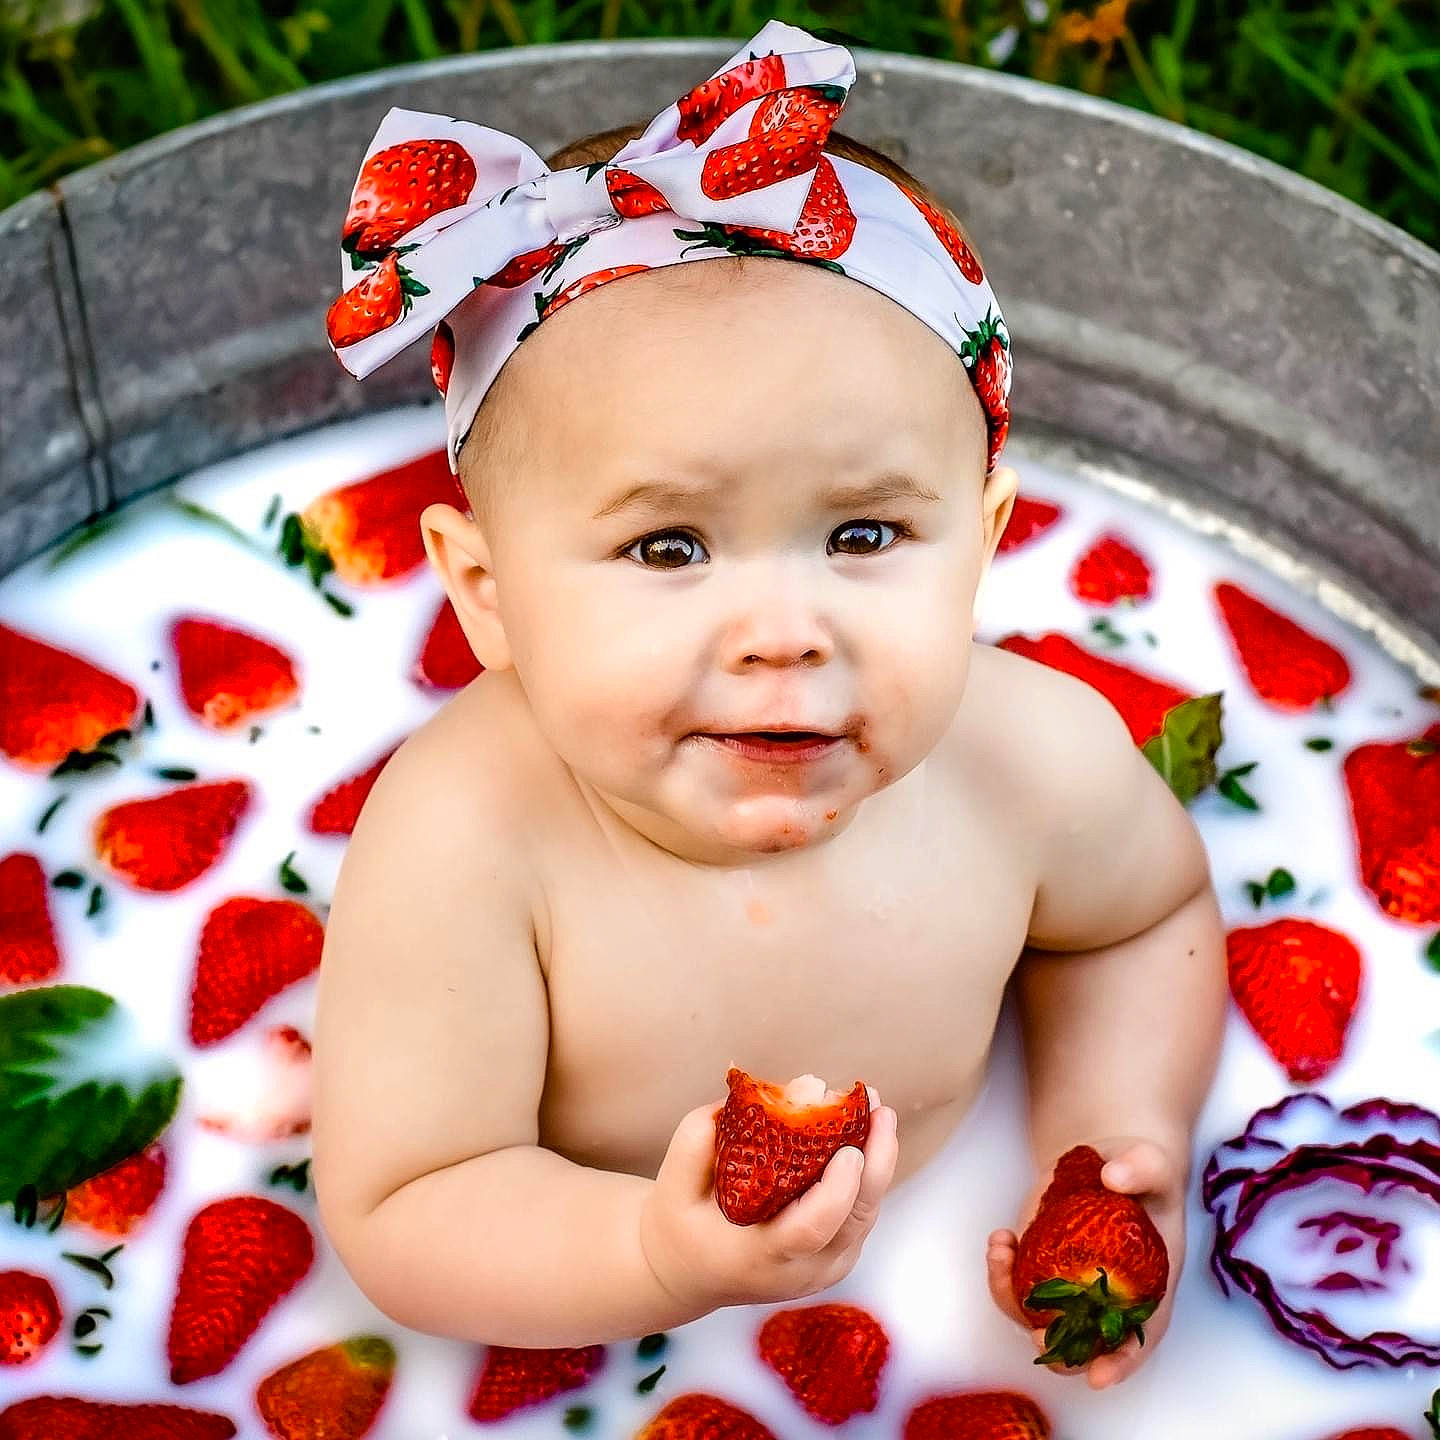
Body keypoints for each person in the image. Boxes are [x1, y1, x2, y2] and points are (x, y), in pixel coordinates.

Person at [310, 18, 1227, 1392]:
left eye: (863, 535)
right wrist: (651, 1255)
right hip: (609, 1342)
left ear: (983, 543)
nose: (784, 634)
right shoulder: (464, 840)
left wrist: (1105, 1141)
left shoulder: (1028, 755)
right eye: (668, 547)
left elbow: (1138, 923)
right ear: (486, 595)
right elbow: (407, 1203)